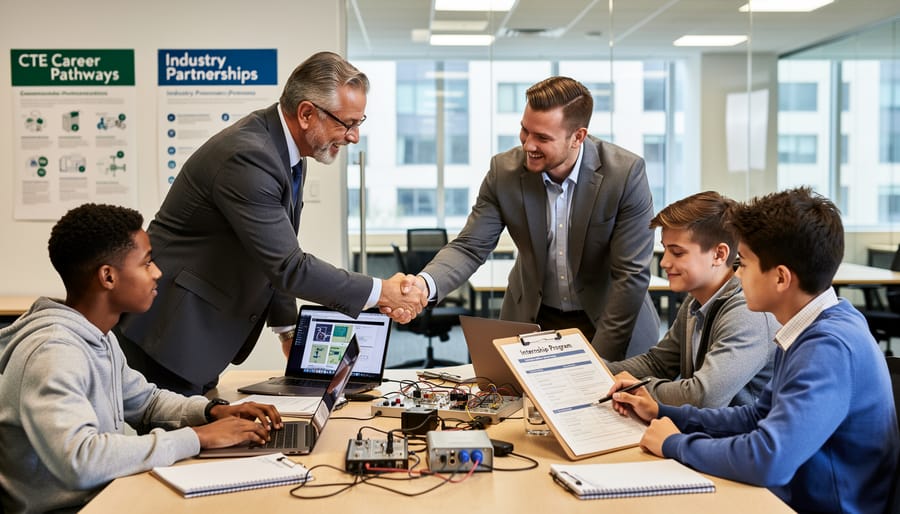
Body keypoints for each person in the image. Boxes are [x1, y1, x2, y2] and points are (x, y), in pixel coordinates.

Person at [116, 51, 426, 395]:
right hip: (170, 334)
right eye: (347, 123)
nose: (353, 136)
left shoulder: (288, 152)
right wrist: (382, 291)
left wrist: (288, 328)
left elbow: (274, 248)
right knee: (183, 443)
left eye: (358, 123)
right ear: (307, 113)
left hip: (198, 334)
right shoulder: (249, 156)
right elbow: (288, 266)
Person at [609, 187, 899, 513]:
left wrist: (674, 444)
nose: (736, 274)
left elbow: (768, 459)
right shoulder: (809, 328)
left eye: (743, 263)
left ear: (780, 278)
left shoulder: (828, 348)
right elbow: (756, 416)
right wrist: (665, 413)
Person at [0, 204, 285, 513]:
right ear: (108, 277)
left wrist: (212, 411)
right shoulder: (54, 353)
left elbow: (146, 402)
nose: (157, 273)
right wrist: (198, 438)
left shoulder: (100, 336)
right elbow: (81, 460)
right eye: (147, 263)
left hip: (103, 497)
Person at [403, 76, 659, 360]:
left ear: (578, 137)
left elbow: (630, 276)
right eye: (525, 131)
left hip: (609, 324)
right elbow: (470, 246)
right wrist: (425, 284)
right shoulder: (505, 172)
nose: (528, 145)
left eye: (543, 138)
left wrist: (601, 364)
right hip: (536, 321)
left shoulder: (624, 174)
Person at [606, 191, 778, 408]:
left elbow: (703, 396)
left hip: (736, 439)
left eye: (677, 253)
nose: (664, 263)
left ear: (719, 255)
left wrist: (634, 389)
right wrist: (595, 372)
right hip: (705, 433)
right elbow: (658, 363)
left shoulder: (747, 312)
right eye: (666, 250)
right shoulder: (695, 301)